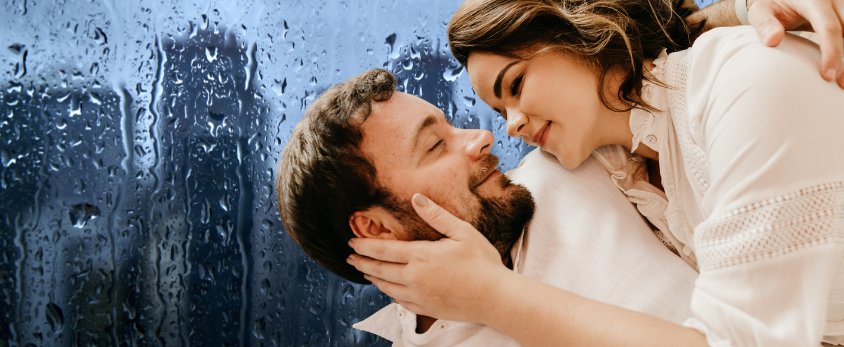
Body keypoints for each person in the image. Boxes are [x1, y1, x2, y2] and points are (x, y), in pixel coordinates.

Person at [346, 0, 844, 347]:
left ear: (581, 29)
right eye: (500, 110)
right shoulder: (624, 159)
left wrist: (490, 295)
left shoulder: (748, 84)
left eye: (516, 85)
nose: (510, 126)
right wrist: (744, 3)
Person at [277, 69, 698, 346]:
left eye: (450, 126)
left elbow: (686, 73)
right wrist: (489, 295)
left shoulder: (565, 165)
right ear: (377, 229)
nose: (481, 137)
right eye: (435, 145)